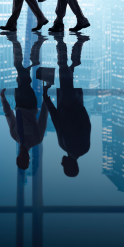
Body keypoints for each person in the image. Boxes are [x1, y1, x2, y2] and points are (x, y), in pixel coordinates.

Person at [44, 34, 91, 177]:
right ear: (70, 166)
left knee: (68, 71)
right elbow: (57, 119)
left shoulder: (84, 148)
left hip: (73, 102)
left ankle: (77, 45)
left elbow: (86, 125)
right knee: (63, 69)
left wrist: (78, 105)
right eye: (64, 167)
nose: (61, 163)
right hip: (68, 102)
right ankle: (61, 41)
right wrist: (47, 98)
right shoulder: (65, 146)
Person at [1, 33, 50, 172]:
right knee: (20, 70)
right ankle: (16, 41)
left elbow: (9, 115)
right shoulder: (36, 139)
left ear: (18, 158)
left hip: (19, 101)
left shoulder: (14, 135)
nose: (26, 158)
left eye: (23, 160)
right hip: (29, 103)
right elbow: (43, 118)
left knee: (22, 74)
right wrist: (46, 98)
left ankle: (34, 48)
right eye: (27, 160)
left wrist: (3, 99)